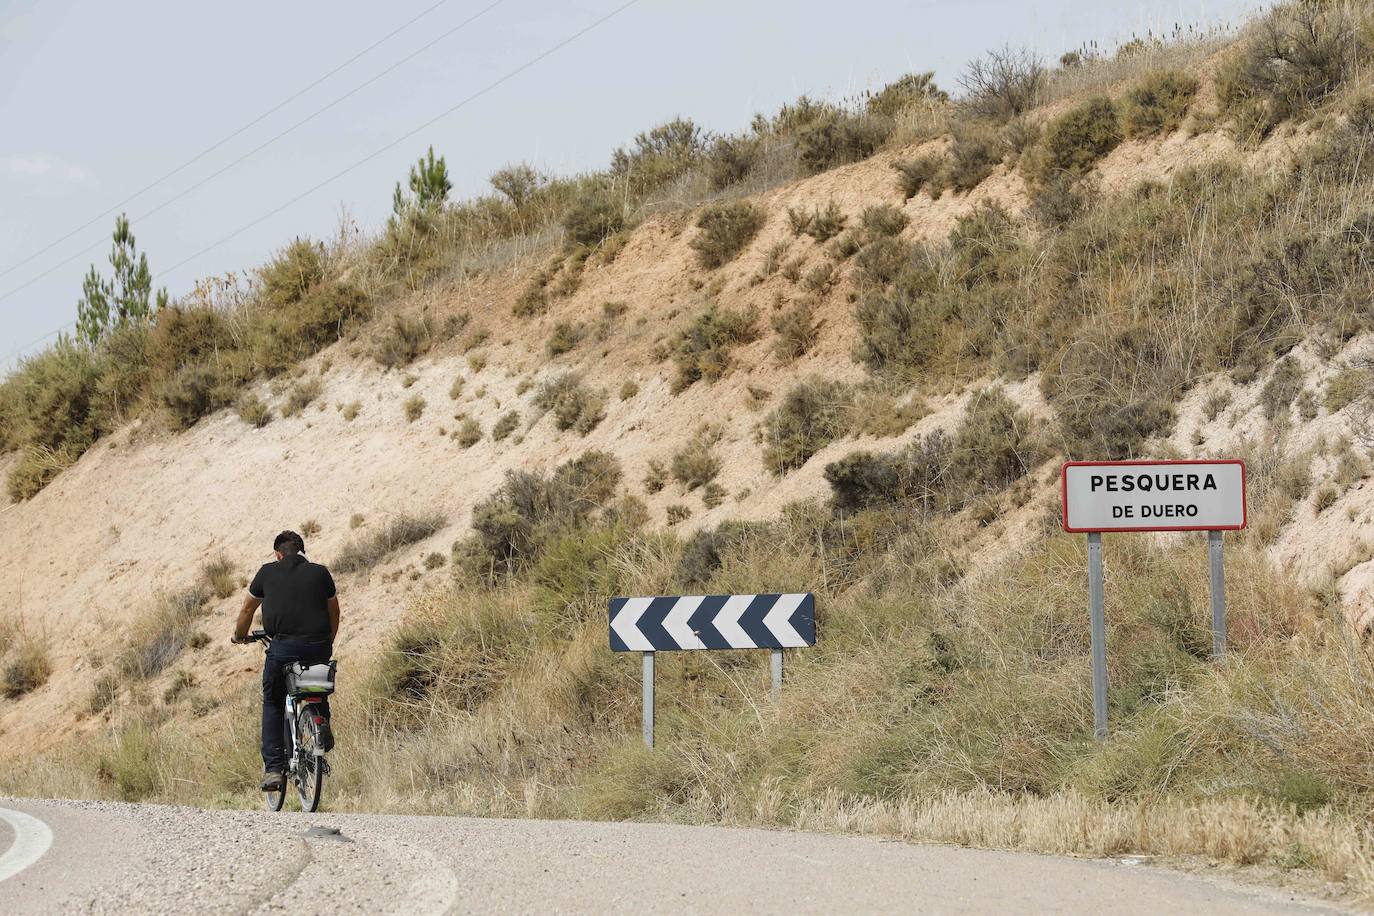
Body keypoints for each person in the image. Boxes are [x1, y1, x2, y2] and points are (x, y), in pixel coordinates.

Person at [231, 530, 340, 792]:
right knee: (316, 690)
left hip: (283, 648)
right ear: (302, 551)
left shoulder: (267, 572)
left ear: (278, 554)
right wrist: (327, 643)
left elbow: (248, 609)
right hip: (318, 646)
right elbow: (334, 612)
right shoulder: (320, 572)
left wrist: (239, 636)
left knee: (273, 701)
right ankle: (319, 725)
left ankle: (273, 770)